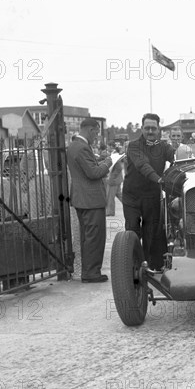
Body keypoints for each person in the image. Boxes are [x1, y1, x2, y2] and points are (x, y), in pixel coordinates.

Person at [123, 113, 175, 271]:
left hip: (152, 196)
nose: (150, 131)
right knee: (132, 231)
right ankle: (132, 268)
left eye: (153, 128)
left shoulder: (165, 147)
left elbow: (175, 162)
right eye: (147, 128)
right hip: (132, 197)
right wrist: (159, 179)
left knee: (151, 234)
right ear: (142, 128)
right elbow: (142, 165)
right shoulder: (133, 145)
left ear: (159, 129)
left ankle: (149, 268)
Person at [67, 118, 113, 283]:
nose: (97, 136)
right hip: (91, 200)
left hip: (82, 199)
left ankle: (89, 270)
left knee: (88, 237)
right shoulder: (82, 147)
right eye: (97, 132)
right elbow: (93, 173)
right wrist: (109, 162)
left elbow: (87, 169)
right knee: (94, 237)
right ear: (91, 129)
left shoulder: (74, 146)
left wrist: (100, 164)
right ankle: (91, 272)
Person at [106, 144, 125, 217]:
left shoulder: (114, 156)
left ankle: (110, 212)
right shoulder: (113, 155)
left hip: (114, 180)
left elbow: (119, 168)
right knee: (119, 195)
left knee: (110, 196)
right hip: (117, 179)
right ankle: (131, 205)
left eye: (108, 147)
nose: (107, 148)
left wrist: (112, 177)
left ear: (111, 147)